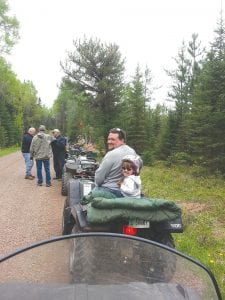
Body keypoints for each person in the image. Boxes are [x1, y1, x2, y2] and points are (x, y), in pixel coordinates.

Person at [94, 128, 137, 197]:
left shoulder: (111, 154)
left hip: (110, 191)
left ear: (122, 140)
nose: (109, 141)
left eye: (113, 139)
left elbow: (98, 179)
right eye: (108, 139)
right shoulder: (133, 152)